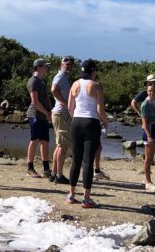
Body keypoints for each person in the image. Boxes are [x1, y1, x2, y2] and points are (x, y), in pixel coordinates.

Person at [65, 59, 109, 208]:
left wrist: (76, 119)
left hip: (76, 122)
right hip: (91, 122)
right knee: (88, 161)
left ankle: (71, 194)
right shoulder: (96, 85)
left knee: (76, 159)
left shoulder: (75, 84)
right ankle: (86, 198)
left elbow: (70, 107)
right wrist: (106, 121)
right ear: (93, 71)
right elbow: (99, 110)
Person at [131, 74, 155, 168]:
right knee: (149, 142)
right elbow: (133, 103)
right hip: (149, 122)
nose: (154, 83)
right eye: (151, 82)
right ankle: (150, 160)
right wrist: (140, 113)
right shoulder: (145, 92)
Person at [26, 58, 53, 178]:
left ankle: (46, 169)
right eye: (44, 66)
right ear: (38, 67)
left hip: (43, 115)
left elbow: (46, 97)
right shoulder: (33, 81)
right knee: (35, 140)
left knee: (45, 141)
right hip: (35, 115)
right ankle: (30, 168)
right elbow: (35, 102)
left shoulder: (42, 81)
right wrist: (47, 113)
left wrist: (50, 112)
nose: (46, 68)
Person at [49, 57, 75, 185]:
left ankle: (54, 173)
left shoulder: (65, 77)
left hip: (60, 113)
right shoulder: (60, 76)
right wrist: (65, 104)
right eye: (66, 63)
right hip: (61, 113)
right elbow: (53, 89)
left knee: (60, 145)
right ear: (61, 64)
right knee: (63, 146)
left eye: (70, 63)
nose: (68, 65)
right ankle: (59, 175)